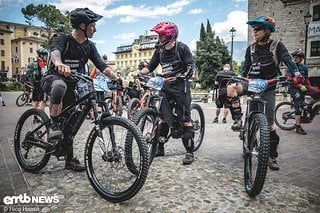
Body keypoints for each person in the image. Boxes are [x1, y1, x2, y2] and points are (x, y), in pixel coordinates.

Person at [41, 7, 116, 172]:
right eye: (93, 26)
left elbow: (101, 65)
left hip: (73, 86)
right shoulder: (64, 39)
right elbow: (55, 53)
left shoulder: (89, 46)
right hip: (54, 80)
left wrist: (117, 78)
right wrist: (59, 64)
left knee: (72, 121)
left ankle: (69, 159)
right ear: (83, 26)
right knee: (60, 85)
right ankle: (53, 124)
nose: (95, 29)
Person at [226, 16, 301, 171]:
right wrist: (239, 76)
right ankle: (238, 119)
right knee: (231, 88)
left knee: (269, 125)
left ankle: (271, 155)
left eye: (258, 29)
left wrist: (296, 74)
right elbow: (245, 68)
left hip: (269, 84)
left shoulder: (277, 46)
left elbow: (288, 60)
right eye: (254, 29)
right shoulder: (251, 48)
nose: (255, 32)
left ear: (267, 30)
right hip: (251, 82)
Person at [134, 21, 196, 165]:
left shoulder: (182, 48)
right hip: (166, 85)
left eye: (161, 36)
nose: (159, 39)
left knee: (185, 120)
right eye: (158, 36)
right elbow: (150, 67)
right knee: (163, 118)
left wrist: (186, 74)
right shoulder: (160, 50)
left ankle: (189, 152)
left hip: (181, 86)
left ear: (170, 36)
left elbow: (190, 66)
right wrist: (139, 72)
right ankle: (159, 148)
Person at [286, 49, 320, 135]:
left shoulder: (304, 67)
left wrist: (310, 87)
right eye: (294, 56)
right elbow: (289, 79)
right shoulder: (290, 66)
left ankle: (310, 110)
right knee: (299, 104)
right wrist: (299, 85)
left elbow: (306, 79)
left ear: (301, 58)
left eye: (297, 57)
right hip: (294, 88)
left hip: (303, 87)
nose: (295, 58)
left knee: (317, 92)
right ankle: (298, 127)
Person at [27, 48, 48, 123]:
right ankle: (43, 118)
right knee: (42, 101)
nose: (46, 57)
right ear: (41, 55)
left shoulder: (33, 63)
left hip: (35, 84)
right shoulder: (41, 63)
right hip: (41, 84)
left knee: (35, 101)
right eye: (45, 55)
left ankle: (35, 118)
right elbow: (45, 74)